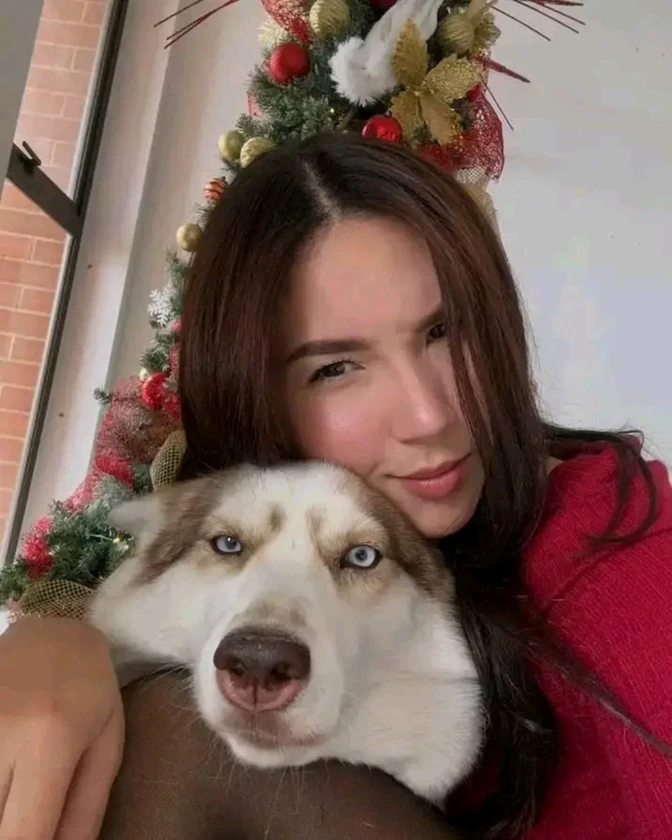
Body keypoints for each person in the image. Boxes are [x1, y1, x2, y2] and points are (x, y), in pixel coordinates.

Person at [1, 133, 670, 840]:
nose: (429, 415)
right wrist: (61, 643)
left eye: (445, 330)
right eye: (337, 369)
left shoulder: (615, 555)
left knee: (175, 735)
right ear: (265, 411)